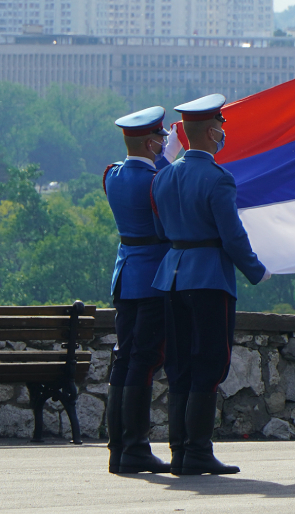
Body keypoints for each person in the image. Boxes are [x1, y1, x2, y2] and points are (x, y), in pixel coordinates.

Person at [150, 93, 271, 476]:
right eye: (221, 126)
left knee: (180, 364)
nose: (223, 133)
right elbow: (232, 237)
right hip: (209, 278)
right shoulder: (218, 178)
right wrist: (256, 270)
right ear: (213, 130)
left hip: (172, 275)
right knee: (210, 363)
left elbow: (159, 230)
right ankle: (199, 451)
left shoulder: (164, 175)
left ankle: (180, 451)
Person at [102, 106, 173, 474]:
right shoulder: (158, 180)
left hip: (125, 275)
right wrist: (167, 163)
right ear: (150, 142)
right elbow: (166, 228)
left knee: (124, 360)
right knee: (143, 363)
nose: (165, 143)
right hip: (151, 279)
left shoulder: (111, 175)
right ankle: (136, 446)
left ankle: (119, 448)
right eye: (160, 138)